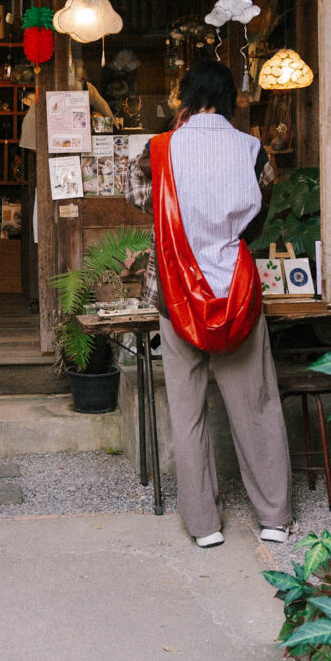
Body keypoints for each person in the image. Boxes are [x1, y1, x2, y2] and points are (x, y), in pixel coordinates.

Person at [125, 60, 292, 548]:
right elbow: (260, 209)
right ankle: (274, 518)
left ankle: (203, 525)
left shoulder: (158, 149)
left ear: (184, 97)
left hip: (175, 294)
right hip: (236, 292)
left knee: (188, 410)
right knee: (257, 406)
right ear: (231, 99)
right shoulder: (252, 149)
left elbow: (138, 196)